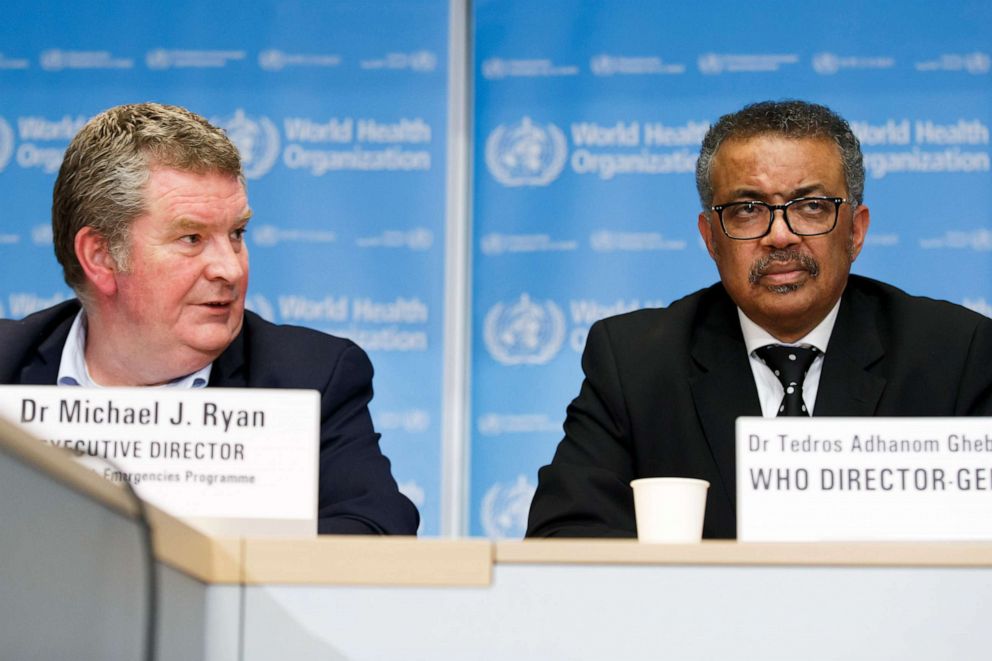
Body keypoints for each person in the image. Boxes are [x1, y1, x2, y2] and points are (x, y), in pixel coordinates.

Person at [526, 100, 992, 539]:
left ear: (856, 230)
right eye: (748, 210)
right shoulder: (635, 362)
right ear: (710, 238)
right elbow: (564, 537)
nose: (780, 235)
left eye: (811, 206)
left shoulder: (955, 354)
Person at [0, 102, 419, 535]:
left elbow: (378, 533)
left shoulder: (309, 376)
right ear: (100, 256)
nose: (231, 269)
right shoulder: (7, 364)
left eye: (236, 234)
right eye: (192, 238)